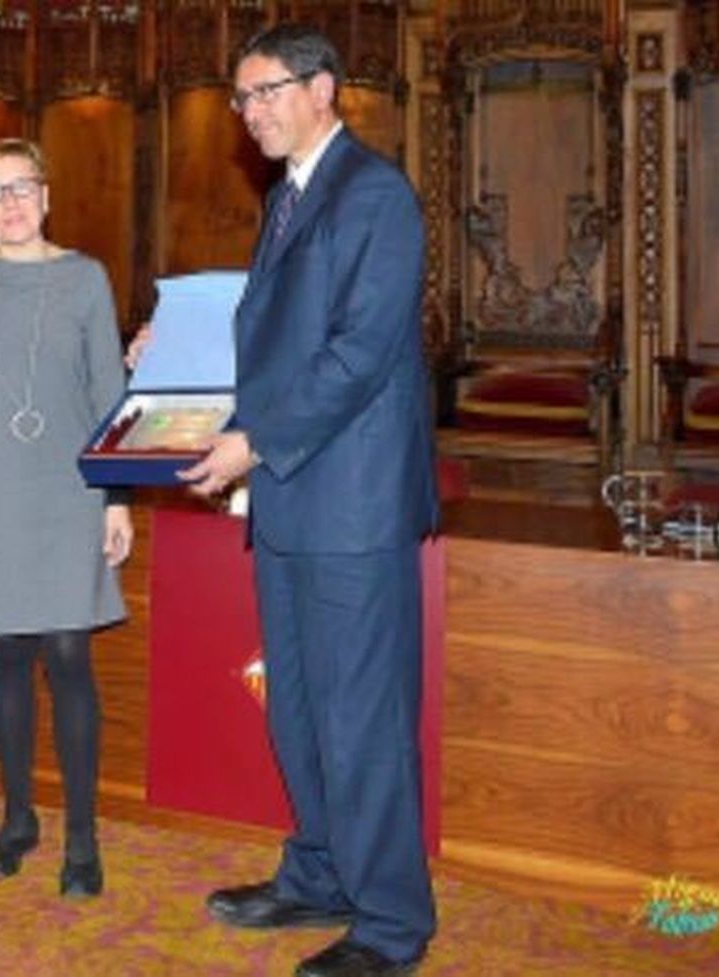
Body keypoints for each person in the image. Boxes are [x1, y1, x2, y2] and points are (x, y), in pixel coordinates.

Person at [176, 26, 439, 977]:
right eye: (241, 99)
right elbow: (274, 340)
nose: (250, 114)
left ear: (322, 89)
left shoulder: (373, 194)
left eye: (266, 92)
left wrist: (252, 442)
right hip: (293, 496)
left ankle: (391, 922)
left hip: (352, 506)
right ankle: (322, 873)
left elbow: (358, 353)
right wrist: (168, 356)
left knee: (361, 718)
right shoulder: (290, 195)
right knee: (300, 709)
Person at [0, 138, 132, 900]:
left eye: (21, 187)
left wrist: (118, 496)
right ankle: (18, 818)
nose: (10, 202)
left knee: (70, 653)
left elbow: (110, 392)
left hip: (72, 486)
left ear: (46, 196)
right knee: (10, 650)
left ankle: (82, 834)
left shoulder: (86, 277)